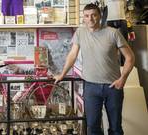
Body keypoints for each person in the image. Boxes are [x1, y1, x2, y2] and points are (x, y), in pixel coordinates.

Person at [54, 3, 135, 135]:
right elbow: (72, 55)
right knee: (92, 128)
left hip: (113, 87)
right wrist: (62, 74)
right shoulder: (80, 32)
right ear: (83, 18)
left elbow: (130, 57)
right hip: (91, 87)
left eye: (93, 15)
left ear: (100, 16)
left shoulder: (113, 33)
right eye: (87, 16)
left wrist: (123, 79)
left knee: (115, 128)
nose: (90, 19)